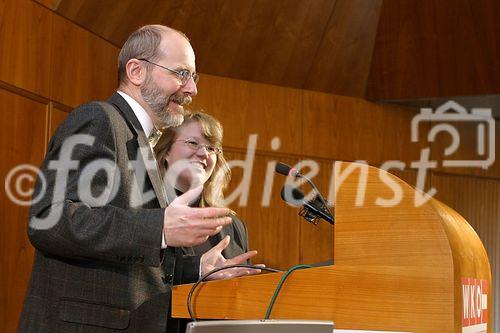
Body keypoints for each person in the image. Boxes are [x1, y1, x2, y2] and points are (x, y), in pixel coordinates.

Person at [18, 25, 259, 333]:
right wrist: (159, 228)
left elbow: (133, 269)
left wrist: (195, 269)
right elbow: (50, 220)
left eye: (193, 77)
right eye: (181, 73)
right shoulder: (101, 119)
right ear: (136, 71)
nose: (192, 89)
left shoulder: (141, 140)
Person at [155, 111, 249, 263]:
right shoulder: (145, 213)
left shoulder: (234, 226)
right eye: (193, 143)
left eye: (212, 148)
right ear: (166, 151)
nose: (204, 153)